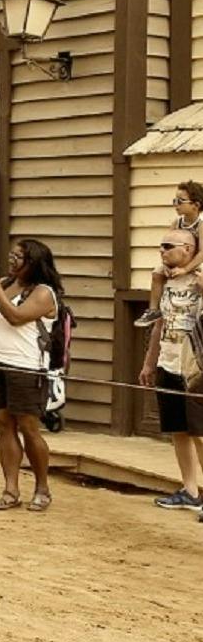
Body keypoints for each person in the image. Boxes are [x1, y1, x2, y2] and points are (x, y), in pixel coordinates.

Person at [0, 239, 63, 512]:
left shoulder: (44, 292)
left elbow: (15, 316)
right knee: (3, 423)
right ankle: (10, 489)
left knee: (28, 427)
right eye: (10, 255)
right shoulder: (6, 282)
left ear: (33, 263)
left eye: (18, 257)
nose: (11, 261)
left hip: (25, 365)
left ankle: (42, 488)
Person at [138, 229, 203, 513]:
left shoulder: (200, 278)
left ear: (188, 249)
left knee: (200, 432)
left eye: (167, 246)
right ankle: (190, 490)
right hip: (168, 359)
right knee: (178, 429)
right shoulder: (164, 279)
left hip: (196, 365)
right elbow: (159, 322)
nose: (162, 252)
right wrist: (149, 362)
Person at [137, 180, 203, 327]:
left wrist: (186, 269)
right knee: (157, 273)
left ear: (196, 205)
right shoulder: (177, 222)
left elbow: (202, 253)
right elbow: (167, 244)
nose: (176, 204)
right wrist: (166, 263)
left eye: (180, 201)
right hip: (178, 261)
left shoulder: (200, 224)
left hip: (196, 263)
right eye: (174, 200)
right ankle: (153, 310)